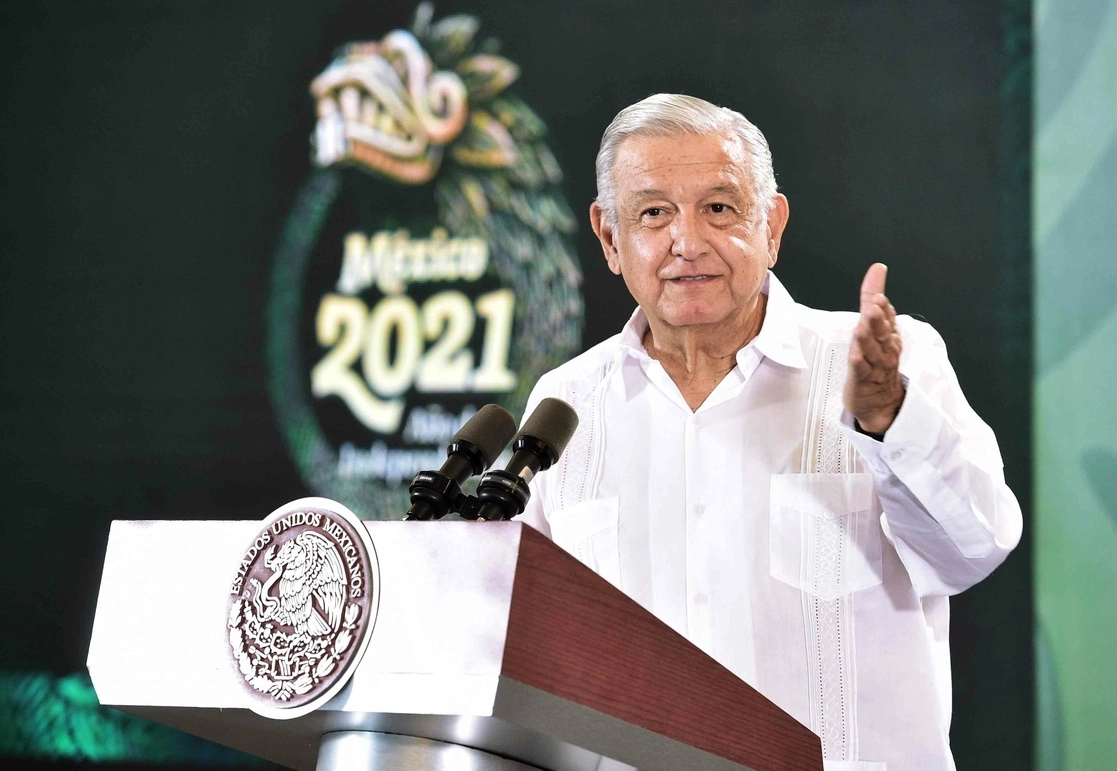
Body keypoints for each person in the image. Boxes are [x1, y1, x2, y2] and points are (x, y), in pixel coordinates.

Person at [516, 94, 1022, 770]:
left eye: (719, 208)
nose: (686, 241)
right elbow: (530, 654)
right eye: (653, 213)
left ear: (771, 225)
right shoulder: (565, 405)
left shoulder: (883, 363)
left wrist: (886, 416)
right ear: (609, 237)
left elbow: (973, 548)